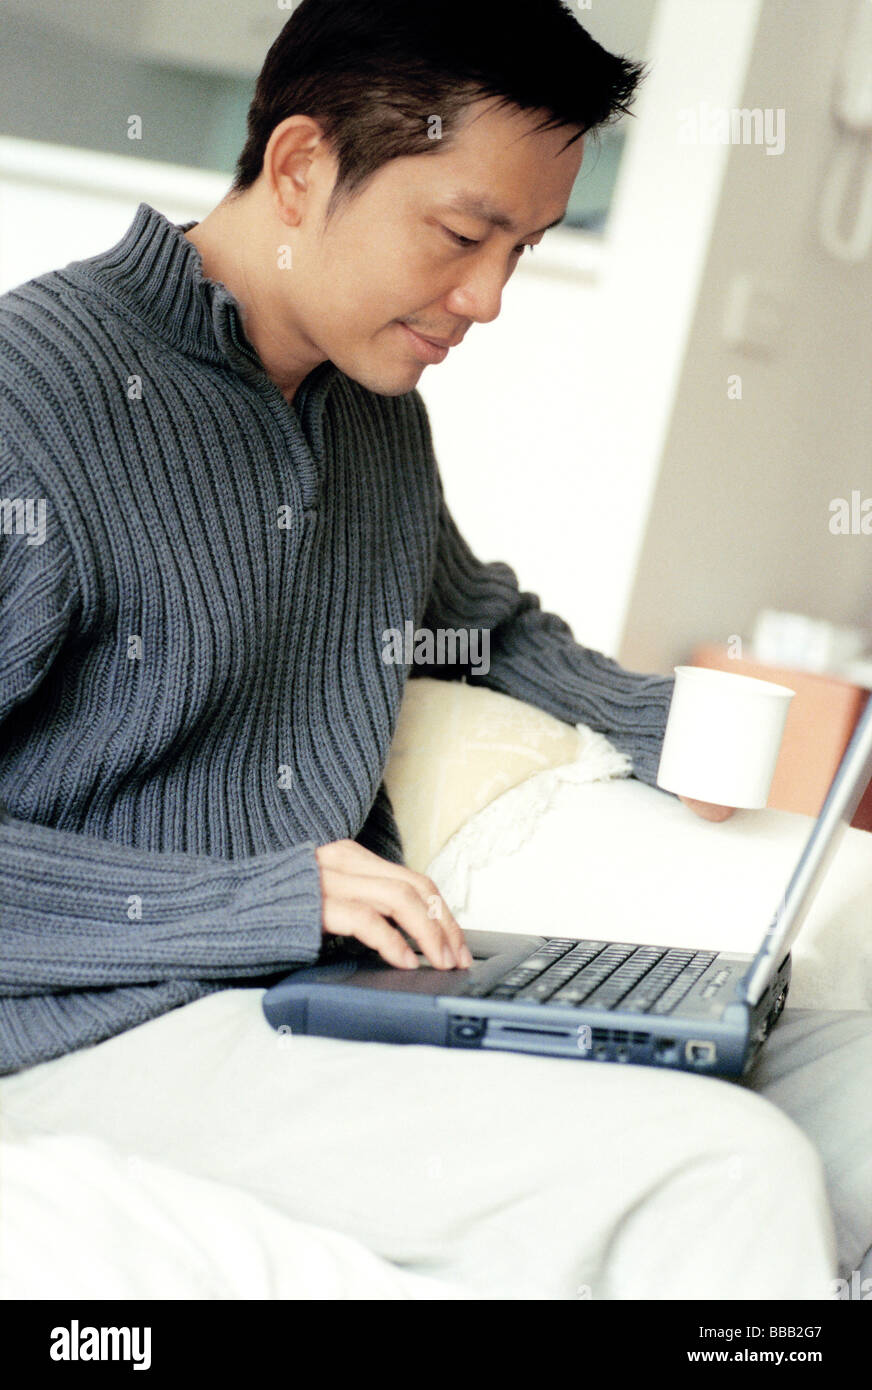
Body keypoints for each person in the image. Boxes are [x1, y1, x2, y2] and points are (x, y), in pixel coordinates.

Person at [0, 0, 869, 1299]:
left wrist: (669, 726)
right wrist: (262, 899)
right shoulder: (35, 401)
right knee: (720, 1170)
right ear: (301, 168)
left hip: (339, 986)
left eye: (525, 246)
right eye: (464, 235)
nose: (491, 297)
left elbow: (473, 618)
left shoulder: (367, 408)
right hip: (96, 1026)